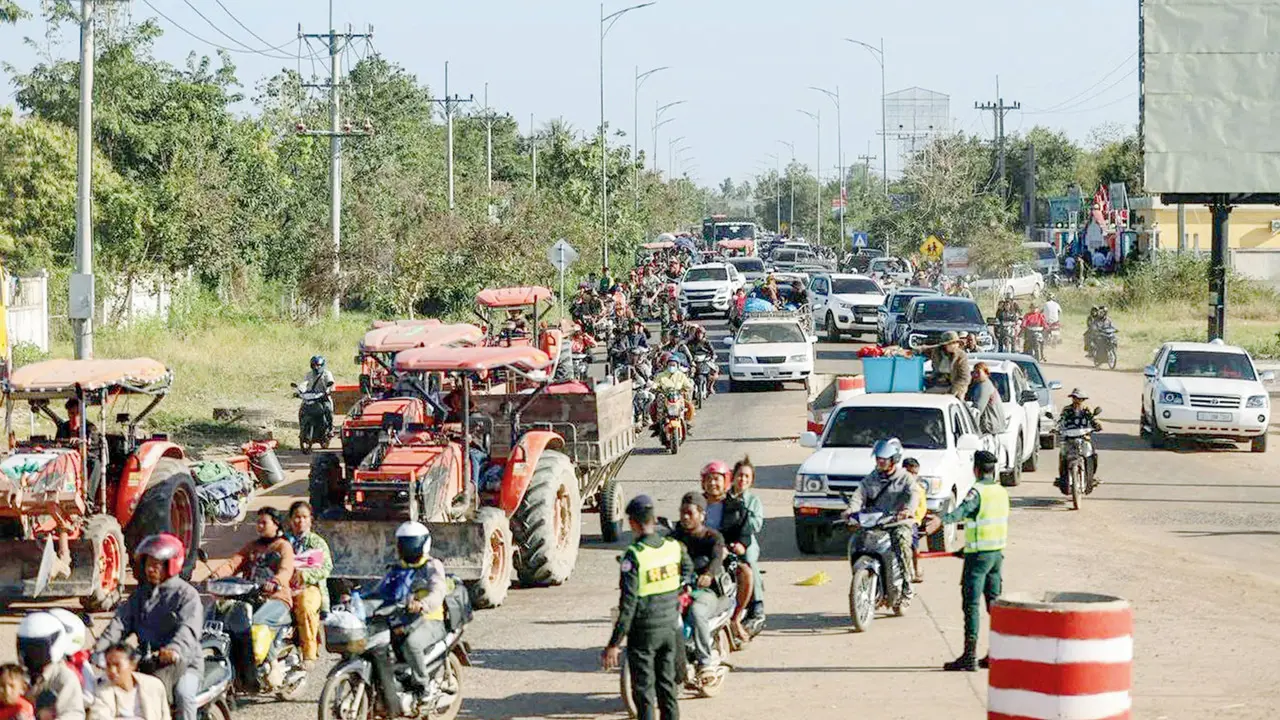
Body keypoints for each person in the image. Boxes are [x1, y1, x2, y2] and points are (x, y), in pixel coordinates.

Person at [602, 496, 691, 720]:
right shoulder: (673, 547)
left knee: (643, 693)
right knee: (667, 688)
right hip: (670, 628)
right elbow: (688, 570)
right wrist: (678, 592)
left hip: (644, 633)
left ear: (632, 523)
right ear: (653, 520)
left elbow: (628, 605)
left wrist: (614, 644)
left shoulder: (634, 555)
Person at [93, 535, 200, 720]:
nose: (151, 568)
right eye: (148, 563)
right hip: (147, 660)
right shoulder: (140, 595)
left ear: (171, 564)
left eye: (157, 564)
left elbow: (188, 629)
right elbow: (120, 623)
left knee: (184, 695)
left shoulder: (187, 595)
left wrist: (174, 650)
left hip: (184, 662)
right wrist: (98, 649)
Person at [926, 450, 1008, 671]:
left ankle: (969, 656)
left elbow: (961, 512)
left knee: (971, 605)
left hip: (979, 558)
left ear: (976, 469)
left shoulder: (977, 491)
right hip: (996, 556)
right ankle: (997, 654)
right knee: (994, 606)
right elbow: (989, 524)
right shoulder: (1001, 491)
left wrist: (940, 520)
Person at [368, 522, 449, 699]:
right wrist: (358, 597)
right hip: (402, 618)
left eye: (411, 543)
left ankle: (423, 686)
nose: (407, 548)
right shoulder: (397, 567)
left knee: (412, 644)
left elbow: (438, 590)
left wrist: (423, 604)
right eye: (404, 543)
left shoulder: (432, 565)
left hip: (430, 618)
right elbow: (381, 589)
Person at [840, 438, 920, 606]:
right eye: (878, 458)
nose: (880, 462)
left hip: (897, 522)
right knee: (857, 542)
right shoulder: (872, 477)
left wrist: (907, 511)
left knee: (902, 540)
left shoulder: (905, 478)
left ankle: (907, 584)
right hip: (875, 522)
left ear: (894, 459)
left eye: (884, 459)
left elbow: (914, 495)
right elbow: (859, 494)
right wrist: (851, 511)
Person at [669, 493, 733, 679]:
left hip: (706, 592)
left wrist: (708, 574)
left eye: (689, 513)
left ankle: (705, 662)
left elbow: (716, 558)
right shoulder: (674, 537)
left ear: (702, 515)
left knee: (696, 613)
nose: (685, 517)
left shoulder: (713, 537)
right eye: (682, 513)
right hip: (679, 589)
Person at [210, 508, 295, 633]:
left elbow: (286, 570)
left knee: (257, 625)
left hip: (276, 598)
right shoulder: (252, 546)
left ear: (276, 524)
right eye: (258, 522)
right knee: (222, 618)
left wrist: (275, 582)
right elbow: (233, 564)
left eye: (264, 523)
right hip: (249, 597)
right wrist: (215, 576)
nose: (259, 526)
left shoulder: (283, 546)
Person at [698, 461, 753, 643]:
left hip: (726, 556)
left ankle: (736, 619)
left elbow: (745, 535)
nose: (713, 483)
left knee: (746, 574)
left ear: (726, 481)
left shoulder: (736, 507)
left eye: (716, 479)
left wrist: (739, 545)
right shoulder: (695, 504)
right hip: (697, 555)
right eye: (709, 479)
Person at [286, 501, 332, 669]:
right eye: (297, 517)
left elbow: (326, 568)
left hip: (310, 587)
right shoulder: (284, 541)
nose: (301, 521)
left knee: (305, 606)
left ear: (310, 520)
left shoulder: (317, 542)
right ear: (290, 520)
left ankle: (309, 654)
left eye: (304, 517)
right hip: (284, 586)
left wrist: (305, 575)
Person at [17, 613, 84, 720]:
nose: (27, 654)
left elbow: (72, 715)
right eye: (24, 647)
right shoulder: (18, 675)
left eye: (35, 649)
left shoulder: (64, 678)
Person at [730, 457, 766, 634]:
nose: (742, 479)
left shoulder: (753, 502)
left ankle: (757, 605)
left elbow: (756, 526)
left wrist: (740, 517)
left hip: (746, 541)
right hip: (724, 539)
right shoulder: (723, 497)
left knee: (749, 562)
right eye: (739, 475)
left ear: (751, 480)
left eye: (746, 476)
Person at [90, 645, 169, 720]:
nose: (112, 670)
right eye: (108, 665)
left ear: (132, 665)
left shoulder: (154, 685)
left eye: (117, 665)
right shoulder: (101, 689)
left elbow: (165, 717)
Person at [1056, 388, 1103, 494]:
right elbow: (1061, 420)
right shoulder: (1067, 409)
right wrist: (1056, 427)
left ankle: (1090, 477)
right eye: (1075, 398)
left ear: (1083, 400)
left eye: (1080, 399)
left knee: (1092, 456)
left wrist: (1097, 425)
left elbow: (1093, 419)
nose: (1077, 401)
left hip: (1084, 438)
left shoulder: (1087, 409)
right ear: (1072, 398)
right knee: (1063, 456)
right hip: (1069, 439)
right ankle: (1063, 479)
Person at [651, 354, 695, 432]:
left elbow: (688, 385)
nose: (672, 366)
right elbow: (656, 383)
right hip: (665, 394)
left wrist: (689, 388)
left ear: (677, 366)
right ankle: (659, 421)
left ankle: (684, 420)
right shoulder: (661, 375)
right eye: (670, 365)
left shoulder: (681, 375)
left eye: (674, 365)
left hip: (677, 395)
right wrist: (653, 387)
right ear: (667, 365)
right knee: (659, 398)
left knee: (686, 405)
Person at [902, 457, 928, 584]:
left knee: (914, 545)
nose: (913, 476)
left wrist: (916, 518)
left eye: (915, 474)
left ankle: (917, 568)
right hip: (895, 519)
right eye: (910, 473)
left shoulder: (918, 489)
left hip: (912, 522)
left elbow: (922, 507)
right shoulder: (896, 486)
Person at [968, 363, 1008, 439]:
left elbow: (977, 410)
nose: (975, 375)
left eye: (978, 372)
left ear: (986, 373)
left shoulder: (984, 386)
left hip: (988, 429)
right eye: (974, 372)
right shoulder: (985, 384)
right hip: (994, 428)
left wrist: (972, 431)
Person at [927, 331, 971, 400]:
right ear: (945, 345)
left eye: (956, 343)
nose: (955, 345)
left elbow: (965, 377)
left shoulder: (961, 355)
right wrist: (909, 352)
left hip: (956, 386)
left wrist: (953, 392)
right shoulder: (936, 351)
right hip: (939, 385)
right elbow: (923, 349)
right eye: (952, 343)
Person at [300, 355, 336, 433]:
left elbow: (331, 384)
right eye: (314, 365)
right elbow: (304, 384)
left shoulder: (327, 374)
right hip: (311, 397)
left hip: (323, 397)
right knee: (302, 410)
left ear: (322, 365)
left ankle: (330, 428)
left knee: (328, 409)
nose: (316, 367)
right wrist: (300, 390)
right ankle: (302, 428)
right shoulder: (308, 374)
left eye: (318, 365)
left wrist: (328, 390)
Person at [686, 325, 719, 394]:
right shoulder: (691, 342)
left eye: (701, 333)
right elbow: (687, 351)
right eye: (698, 333)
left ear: (703, 334)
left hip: (705, 361)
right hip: (694, 361)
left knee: (715, 370)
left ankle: (710, 386)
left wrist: (713, 357)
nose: (699, 335)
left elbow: (712, 351)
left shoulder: (706, 343)